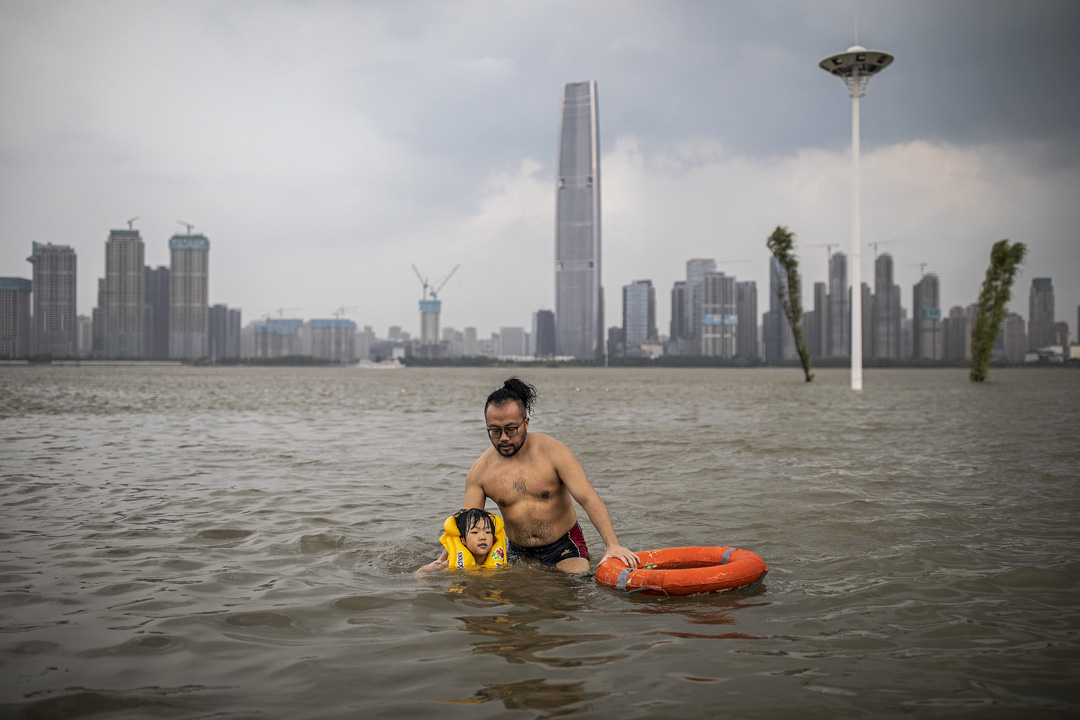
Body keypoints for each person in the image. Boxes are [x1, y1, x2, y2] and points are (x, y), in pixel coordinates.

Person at [425, 378, 638, 574]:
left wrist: (613, 545)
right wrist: (441, 561)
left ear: (526, 423)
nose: (504, 438)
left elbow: (588, 498)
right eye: (495, 431)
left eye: (511, 429)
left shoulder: (555, 453)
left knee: (576, 585)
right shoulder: (481, 471)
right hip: (518, 550)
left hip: (564, 545)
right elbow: (465, 523)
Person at [417, 509, 507, 572]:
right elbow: (421, 572)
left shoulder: (501, 561)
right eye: (475, 532)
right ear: (463, 540)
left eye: (488, 532)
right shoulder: (449, 564)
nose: (483, 537)